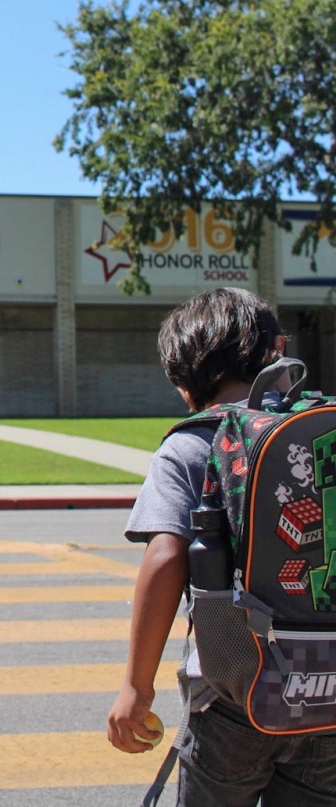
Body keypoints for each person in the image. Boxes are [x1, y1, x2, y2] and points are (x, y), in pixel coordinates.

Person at [108, 287, 336, 805]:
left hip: (231, 693)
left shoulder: (190, 445)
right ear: (278, 349)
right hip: (328, 690)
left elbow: (165, 558)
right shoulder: (321, 438)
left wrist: (136, 689)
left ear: (183, 384)